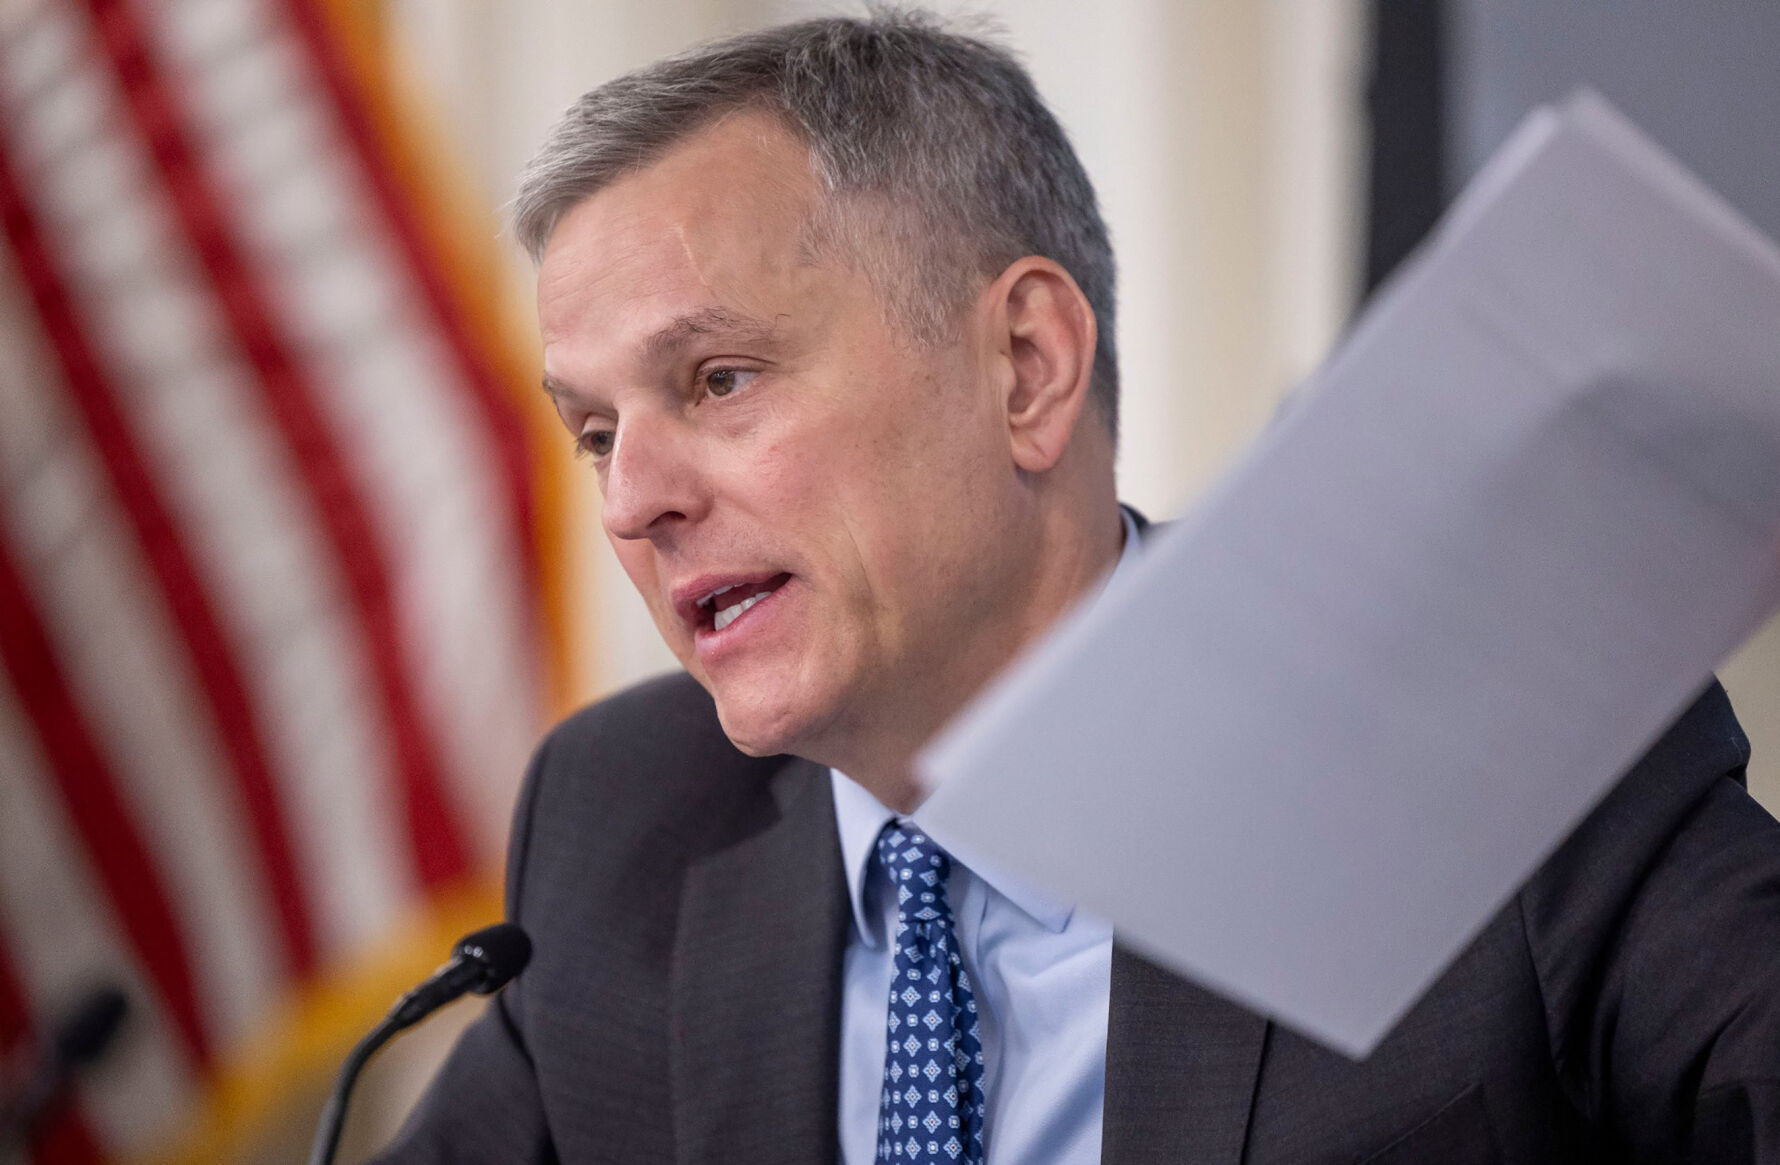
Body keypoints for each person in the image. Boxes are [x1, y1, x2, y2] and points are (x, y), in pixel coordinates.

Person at [378, 13, 1780, 1163]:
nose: (635, 501)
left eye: (718, 379)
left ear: (1027, 365)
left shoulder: (1495, 744)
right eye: (599, 432)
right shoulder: (627, 825)